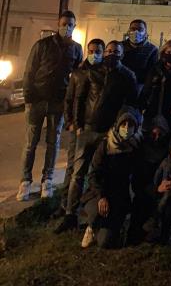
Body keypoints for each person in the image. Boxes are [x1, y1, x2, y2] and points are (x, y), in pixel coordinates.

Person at [56, 39, 137, 232]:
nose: (111, 54)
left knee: (103, 172)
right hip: (87, 130)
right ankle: (70, 214)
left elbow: (130, 104)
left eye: (115, 51)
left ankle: (99, 210)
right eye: (108, 51)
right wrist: (77, 124)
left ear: (121, 54)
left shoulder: (127, 76)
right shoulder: (93, 72)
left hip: (108, 134)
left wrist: (118, 129)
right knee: (78, 173)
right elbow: (80, 98)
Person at [17, 10, 83, 202]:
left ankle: (48, 179)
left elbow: (77, 76)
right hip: (37, 101)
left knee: (52, 144)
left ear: (74, 26)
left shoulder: (76, 49)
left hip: (58, 103)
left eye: (70, 24)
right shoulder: (42, 45)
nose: (67, 27)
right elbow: (29, 71)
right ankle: (25, 181)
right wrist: (29, 98)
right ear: (58, 24)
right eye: (64, 23)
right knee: (30, 144)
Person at [53, 38, 105, 219]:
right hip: (78, 127)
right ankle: (65, 204)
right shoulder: (78, 73)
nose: (94, 54)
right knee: (72, 168)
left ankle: (85, 203)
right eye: (91, 51)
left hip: (93, 127)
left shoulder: (104, 73)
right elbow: (69, 99)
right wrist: (70, 122)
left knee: (91, 168)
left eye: (98, 51)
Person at [79, 106, 143, 249]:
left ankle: (112, 227)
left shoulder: (134, 147)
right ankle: (91, 226)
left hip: (119, 198)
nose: (127, 128)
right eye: (123, 124)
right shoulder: (105, 146)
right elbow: (93, 175)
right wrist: (101, 196)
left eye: (130, 125)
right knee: (96, 213)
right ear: (117, 125)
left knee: (105, 242)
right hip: (98, 195)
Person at [129, 114, 171, 244]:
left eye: (160, 134)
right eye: (154, 134)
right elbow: (137, 182)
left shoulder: (169, 152)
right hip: (145, 192)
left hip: (163, 194)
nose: (157, 138)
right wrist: (155, 189)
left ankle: (161, 233)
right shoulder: (142, 150)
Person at [121, 19, 159, 96]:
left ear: (145, 33)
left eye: (140, 29)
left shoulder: (152, 49)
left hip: (139, 87)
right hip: (120, 85)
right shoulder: (120, 46)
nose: (136, 32)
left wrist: (145, 91)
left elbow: (151, 72)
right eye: (133, 29)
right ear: (128, 31)